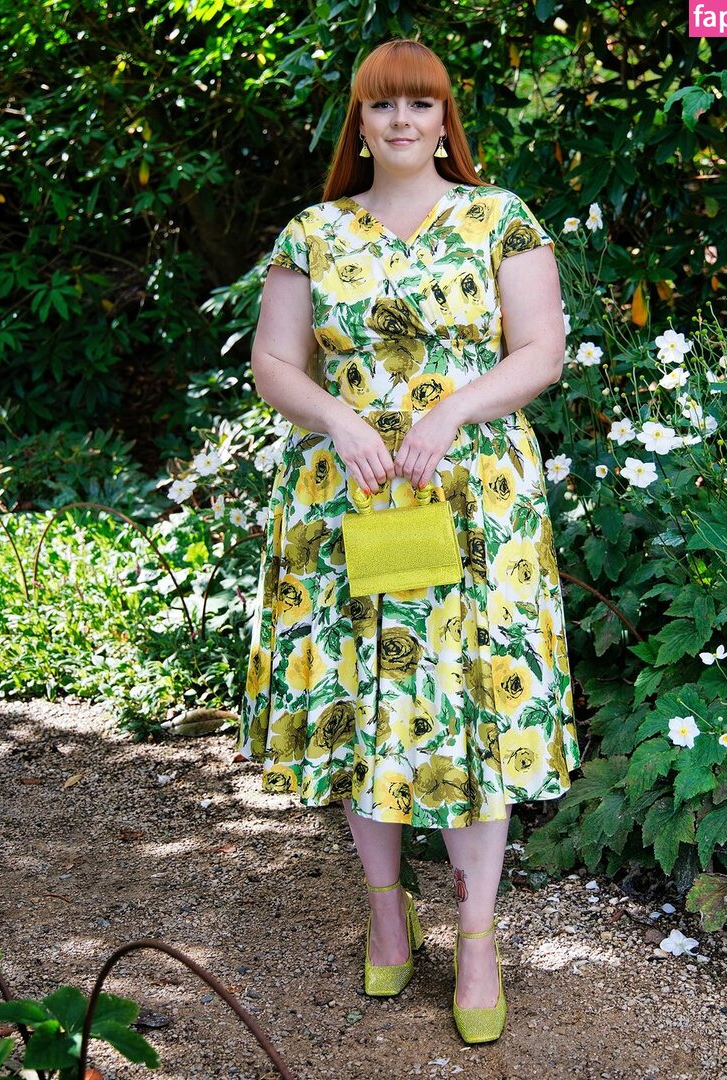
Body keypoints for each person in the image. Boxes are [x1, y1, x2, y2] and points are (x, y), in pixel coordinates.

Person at [235, 37, 580, 1045]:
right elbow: (272, 362)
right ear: (359, 121)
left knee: (477, 707)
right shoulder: (314, 231)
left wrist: (451, 412)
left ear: (443, 120)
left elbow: (540, 350)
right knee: (363, 701)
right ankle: (387, 912)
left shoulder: (498, 217)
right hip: (349, 497)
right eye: (382, 104)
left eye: (419, 104)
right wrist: (338, 419)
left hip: (475, 501)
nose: (400, 121)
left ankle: (476, 939)